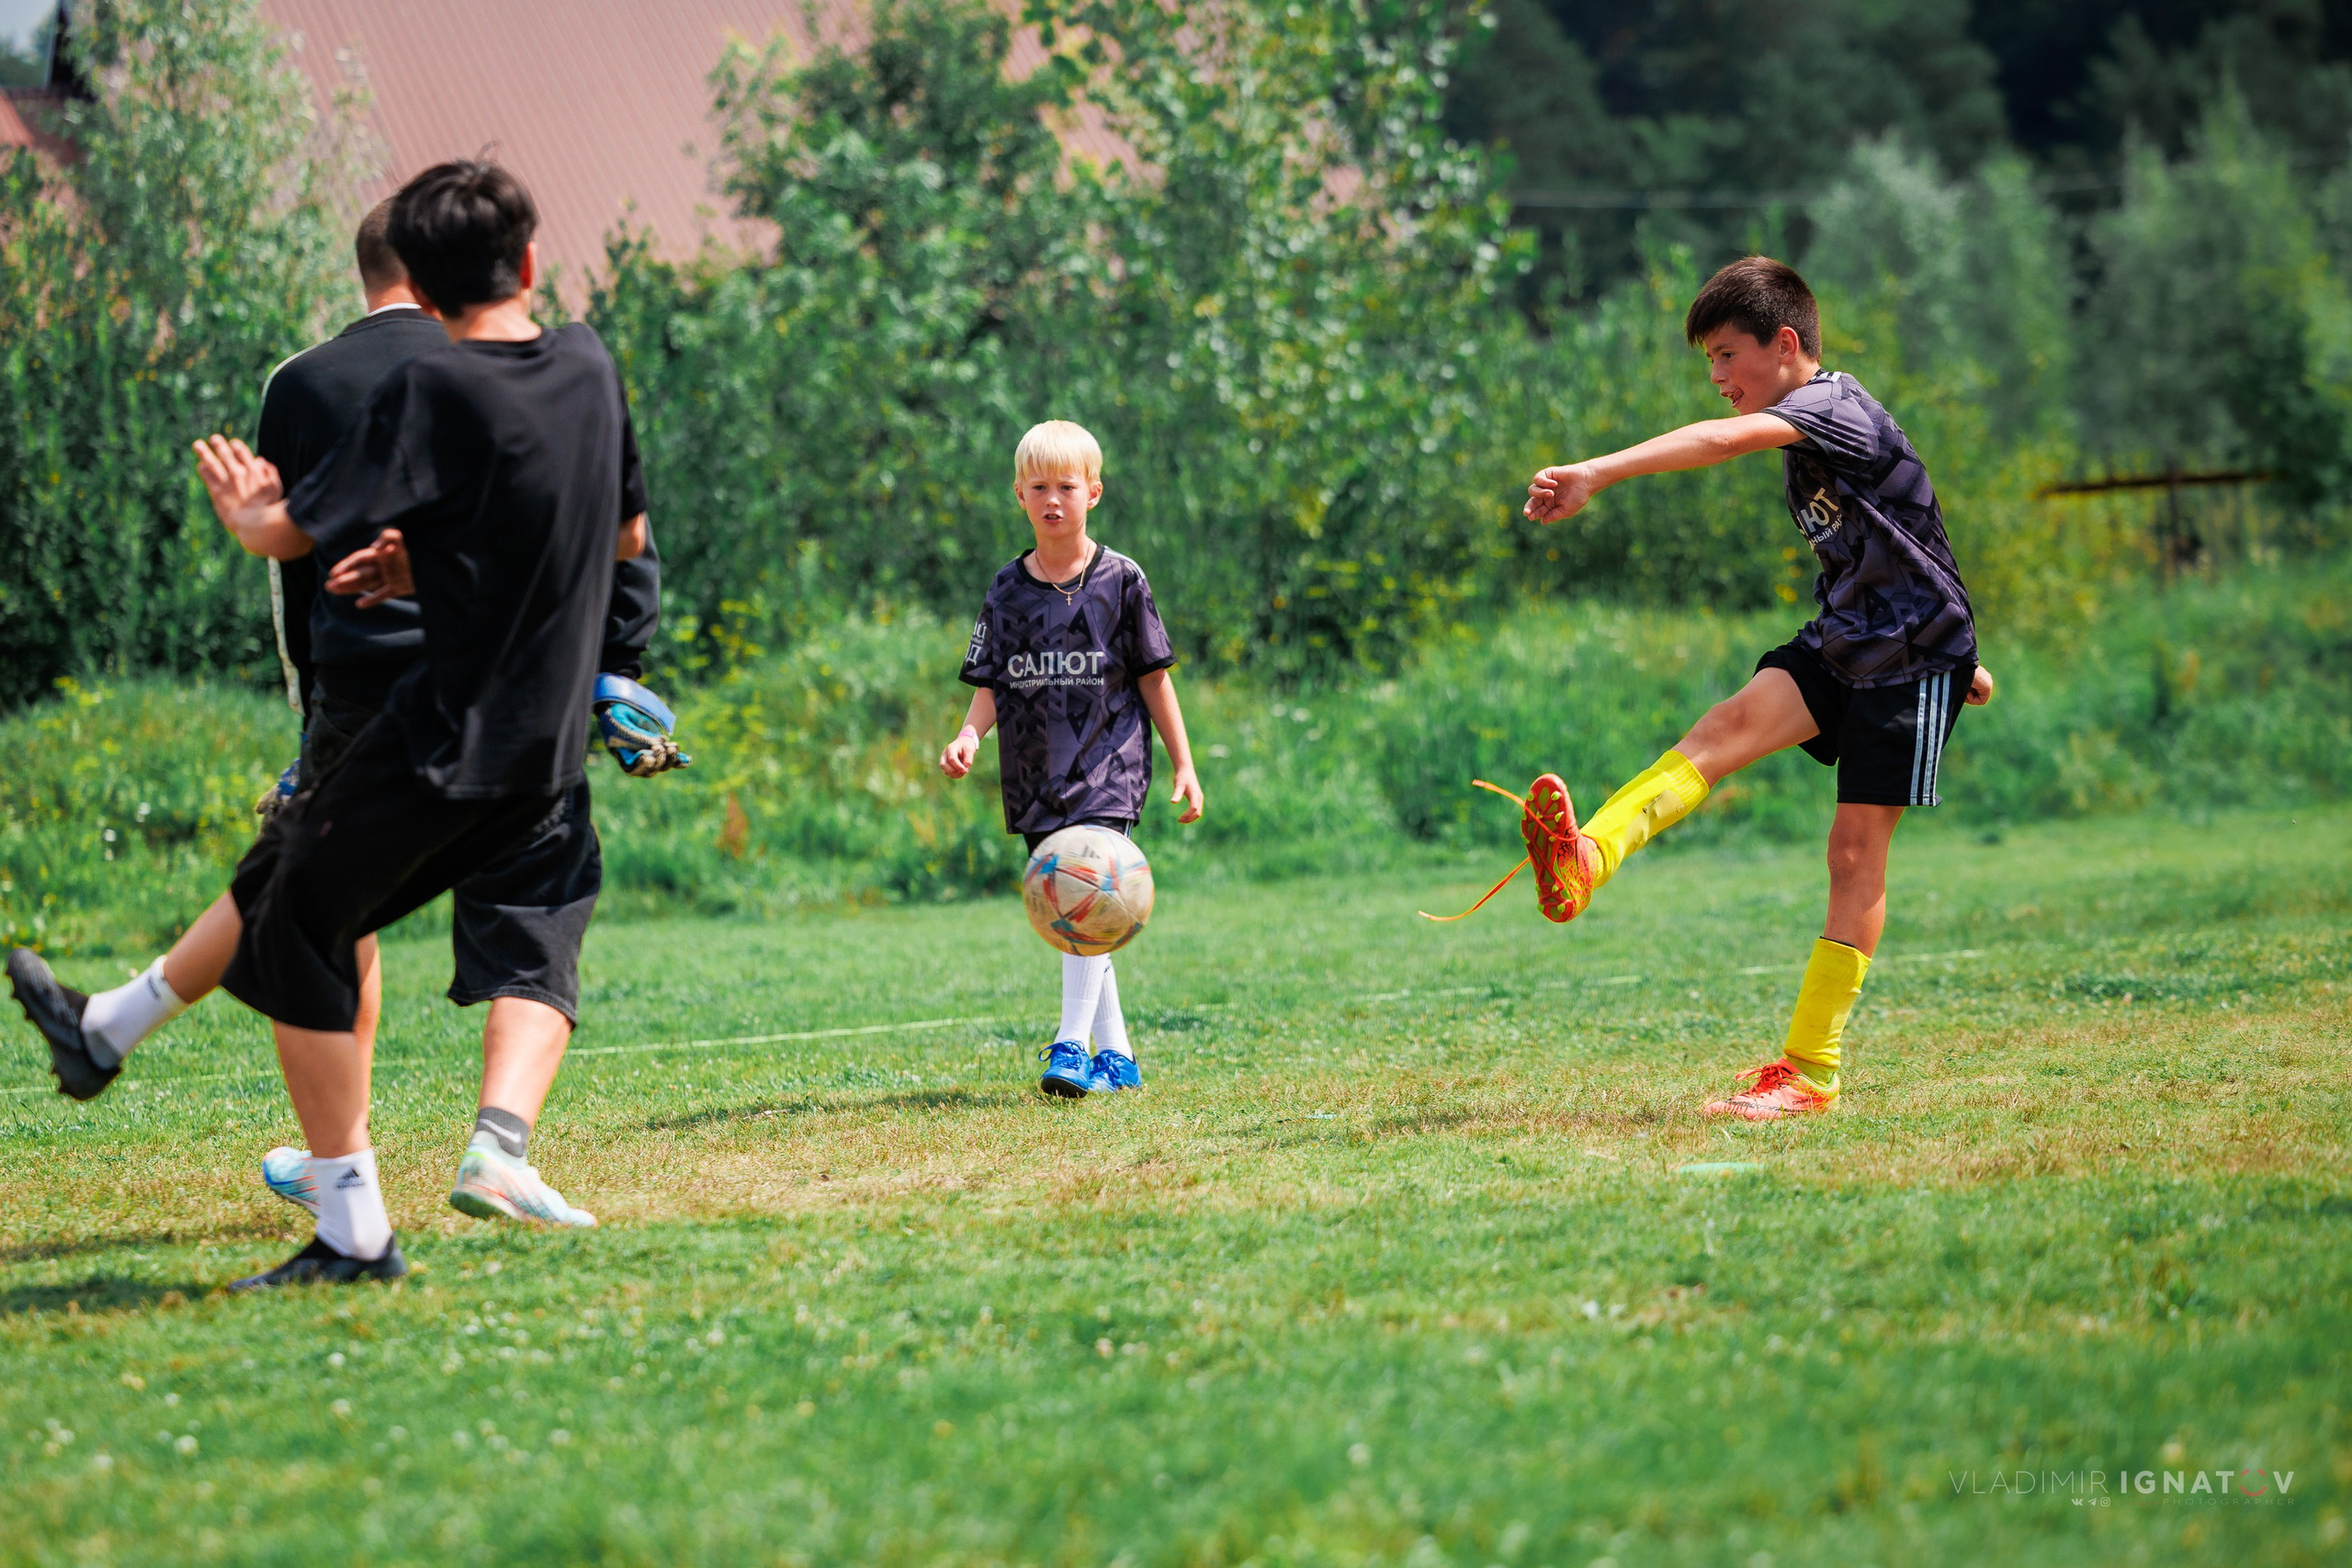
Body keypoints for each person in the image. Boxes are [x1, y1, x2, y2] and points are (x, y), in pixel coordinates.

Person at [5, 198, 684, 1235]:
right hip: (529, 700)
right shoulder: (582, 361)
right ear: (530, 263)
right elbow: (620, 533)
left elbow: (295, 542)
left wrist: (270, 545)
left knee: (304, 904)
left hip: (389, 693)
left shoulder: (363, 383)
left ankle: (334, 1186)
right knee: (529, 903)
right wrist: (614, 667)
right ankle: (483, 1152)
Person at [1513, 256, 1993, 1121]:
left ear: (1785, 343)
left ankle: (1811, 1071)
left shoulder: (1831, 406)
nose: (1717, 377)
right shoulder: (1810, 432)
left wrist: (1598, 471)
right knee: (1719, 731)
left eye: (1727, 355)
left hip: (1912, 658)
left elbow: (1717, 441)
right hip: (1849, 639)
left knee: (1853, 853)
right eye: (1710, 362)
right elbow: (1903, 531)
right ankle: (1585, 860)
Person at [941, 421, 1204, 1099]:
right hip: (1035, 774)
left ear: (1094, 492)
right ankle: (1118, 1056)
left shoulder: (1122, 579)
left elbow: (1154, 677)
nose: (1052, 499)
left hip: (1109, 767)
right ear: (1019, 496)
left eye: (1066, 486)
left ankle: (1069, 1044)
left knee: (1086, 891)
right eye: (1038, 487)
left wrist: (1184, 762)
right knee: (1079, 908)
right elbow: (990, 683)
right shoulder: (1006, 589)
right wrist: (970, 735)